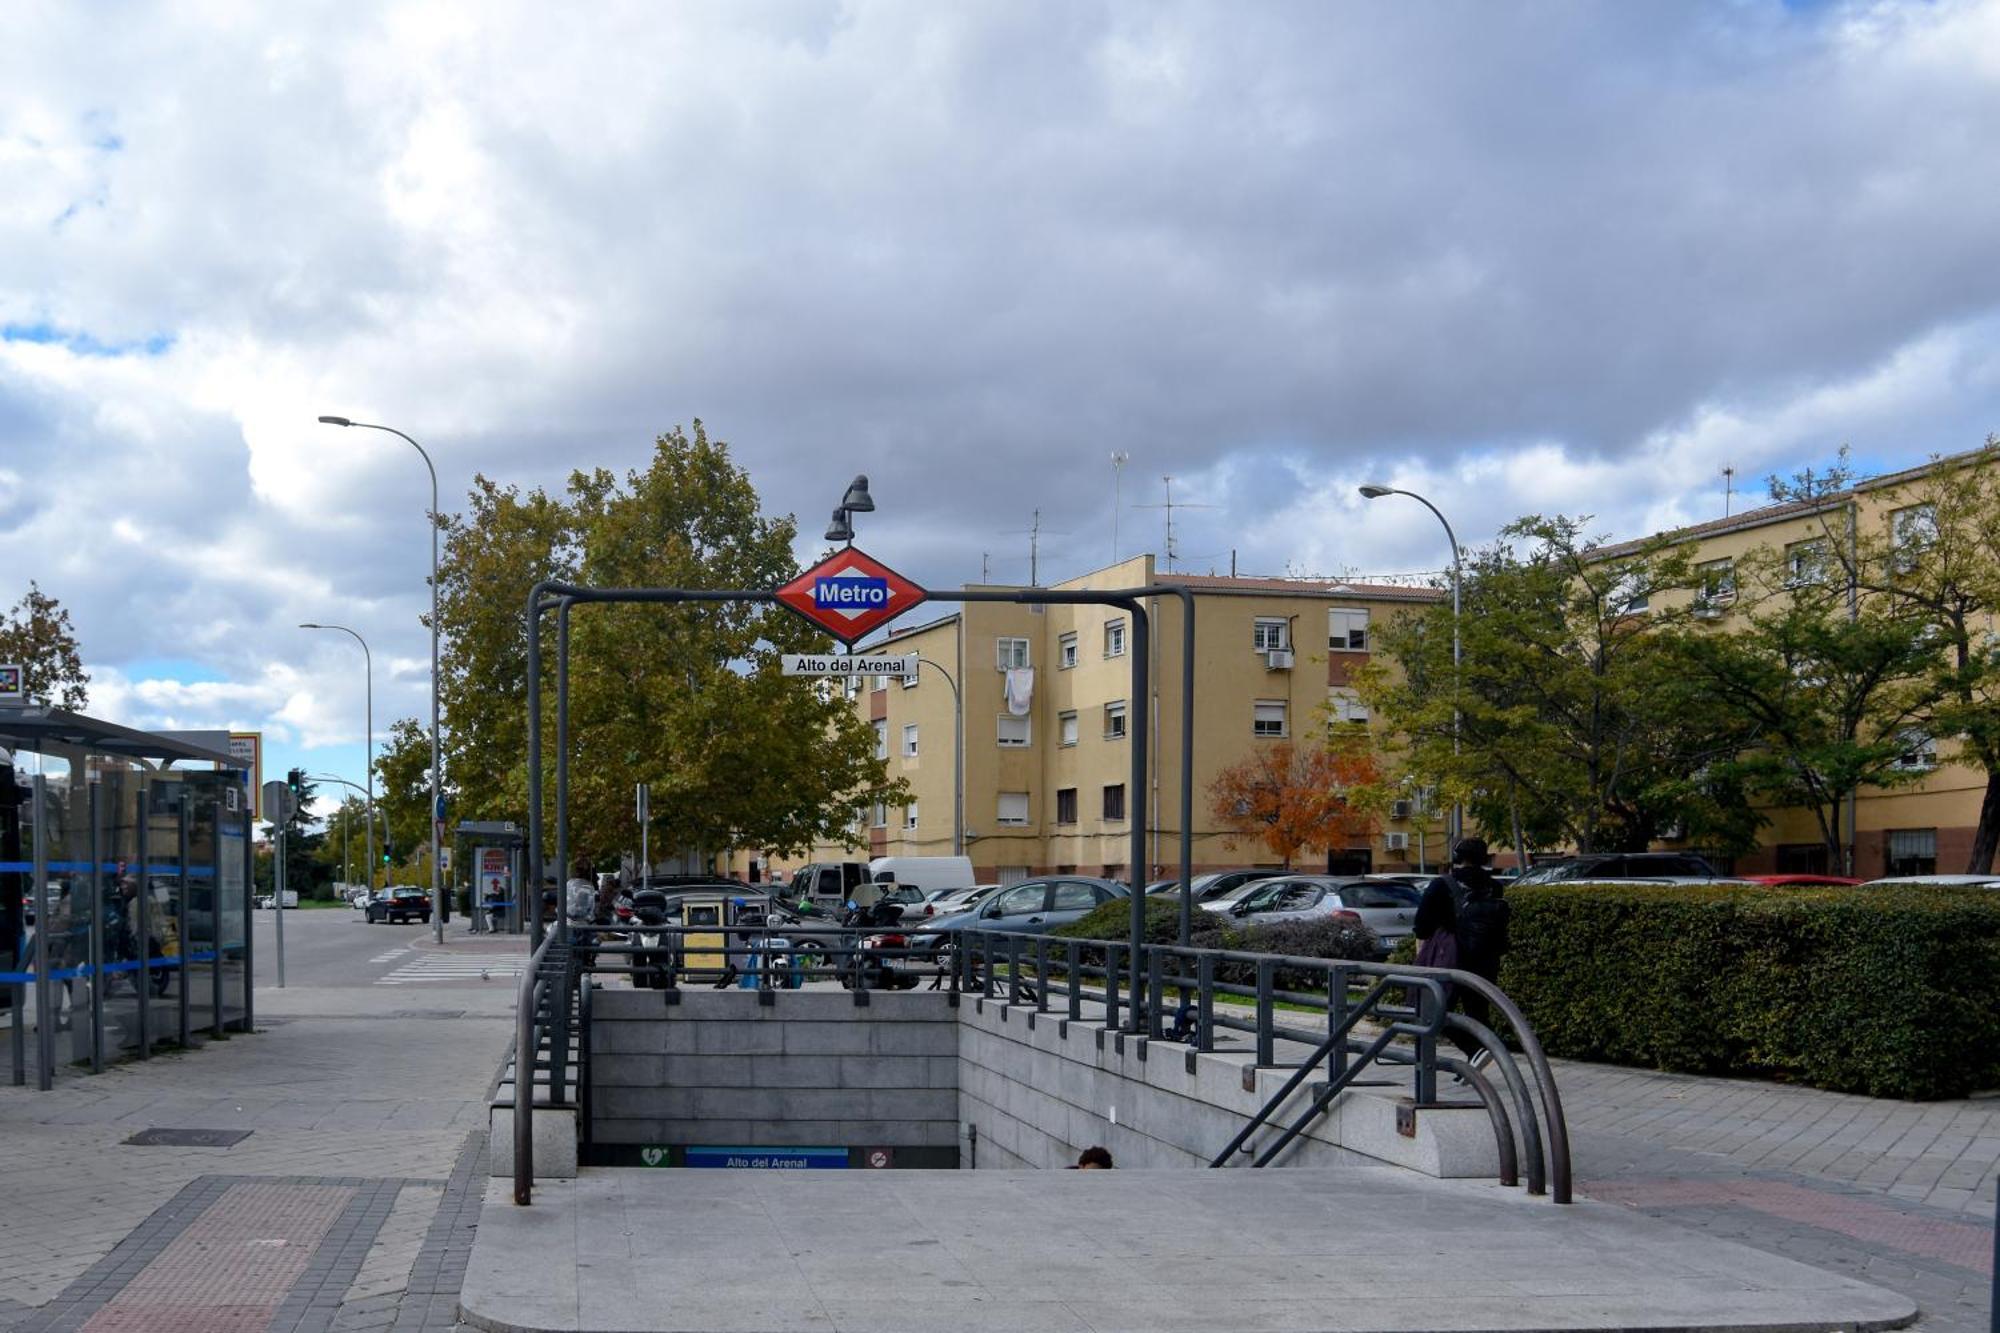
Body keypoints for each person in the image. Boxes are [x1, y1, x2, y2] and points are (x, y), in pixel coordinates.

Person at [1414, 836, 1512, 1065]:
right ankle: (1483, 1056)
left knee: (1432, 1010)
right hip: (1486, 958)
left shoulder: (1443, 884)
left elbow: (1422, 925)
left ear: (1457, 857)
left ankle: (1473, 1052)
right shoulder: (1494, 886)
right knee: (1478, 1012)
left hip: (1451, 958)